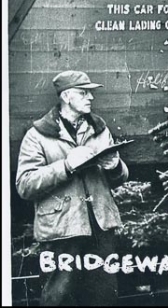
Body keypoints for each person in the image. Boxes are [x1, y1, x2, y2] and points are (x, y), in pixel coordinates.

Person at [16, 70, 129, 306]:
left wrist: (115, 166)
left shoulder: (99, 129)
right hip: (62, 230)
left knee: (104, 297)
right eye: (83, 92)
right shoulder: (37, 136)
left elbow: (119, 178)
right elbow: (25, 185)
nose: (91, 97)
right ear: (67, 96)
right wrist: (66, 165)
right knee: (59, 297)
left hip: (100, 228)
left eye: (90, 93)